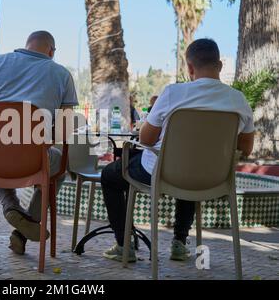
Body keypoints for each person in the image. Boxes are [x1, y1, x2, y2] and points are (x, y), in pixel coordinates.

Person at [100, 38, 255, 263]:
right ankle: (179, 243)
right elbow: (246, 149)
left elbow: (146, 139)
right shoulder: (238, 100)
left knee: (110, 175)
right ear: (219, 65)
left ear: (190, 68)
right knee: (194, 165)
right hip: (212, 178)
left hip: (161, 173)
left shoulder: (174, 92)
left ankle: (125, 246)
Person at [0, 31, 79, 255]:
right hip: (31, 161)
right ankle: (24, 230)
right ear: (51, 51)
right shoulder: (62, 74)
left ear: (26, 45)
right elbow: (64, 132)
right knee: (59, 168)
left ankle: (11, 206)